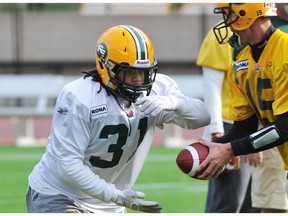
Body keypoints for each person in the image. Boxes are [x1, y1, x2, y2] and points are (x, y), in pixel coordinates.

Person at [25, 24, 211, 213]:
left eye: (144, 72)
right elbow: (67, 164)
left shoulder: (157, 90)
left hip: (109, 204)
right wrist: (115, 195)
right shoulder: (80, 96)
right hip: (60, 193)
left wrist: (176, 102)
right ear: (108, 68)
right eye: (130, 72)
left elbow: (203, 118)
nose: (139, 79)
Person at [196, 3, 288, 204]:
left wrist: (230, 149)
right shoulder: (241, 60)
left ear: (246, 14)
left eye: (229, 15)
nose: (226, 22)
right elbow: (244, 125)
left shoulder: (285, 49)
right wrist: (213, 148)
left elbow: (285, 126)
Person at [197, 27, 259, 213]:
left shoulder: (261, 34)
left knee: (255, 203)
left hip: (257, 124)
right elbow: (212, 85)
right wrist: (217, 132)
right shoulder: (222, 33)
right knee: (229, 202)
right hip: (230, 125)